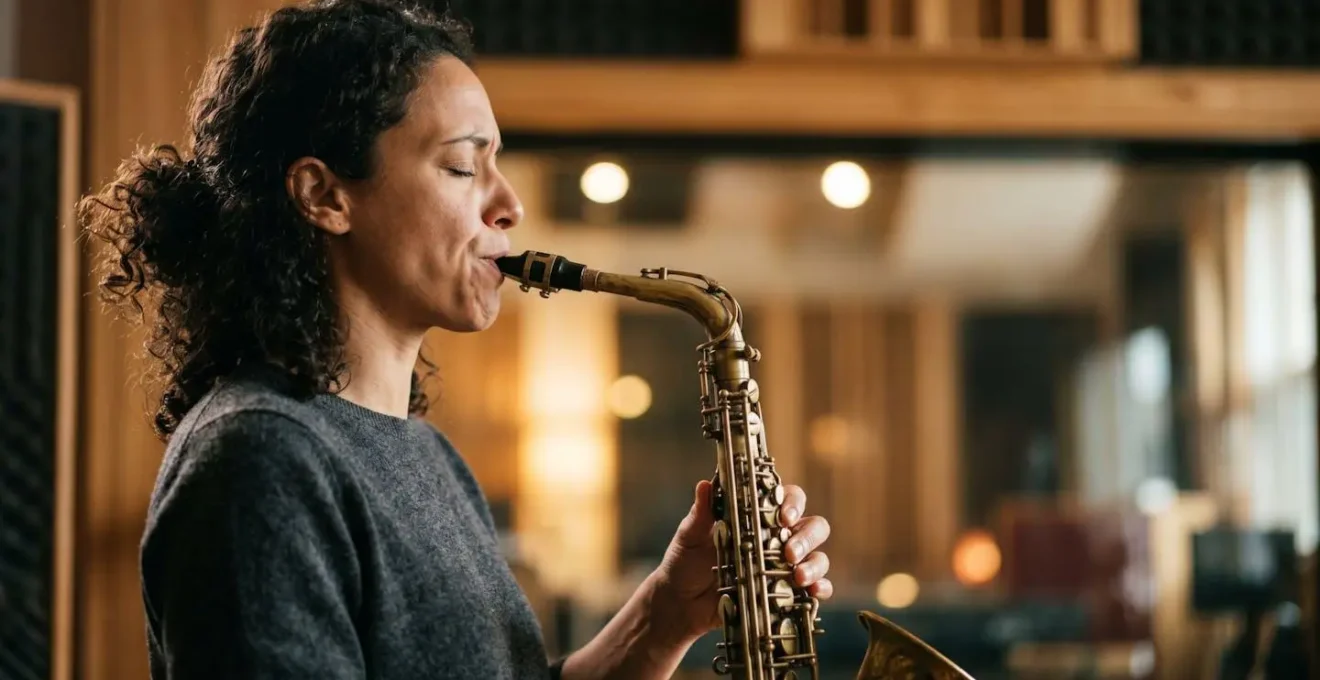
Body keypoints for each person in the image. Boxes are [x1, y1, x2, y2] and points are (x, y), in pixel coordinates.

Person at [77, 1, 834, 679]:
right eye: (462, 166)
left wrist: (663, 615)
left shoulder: (428, 457)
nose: (508, 203)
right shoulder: (259, 462)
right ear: (324, 195)